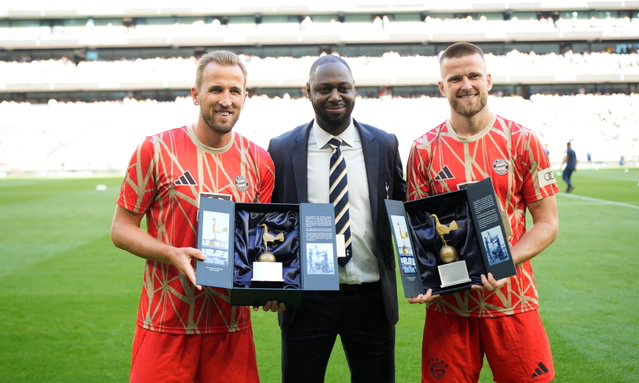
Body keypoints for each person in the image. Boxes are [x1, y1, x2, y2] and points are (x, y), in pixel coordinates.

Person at [111, 50, 279, 383]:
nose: (225, 100)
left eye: (234, 91)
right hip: (165, 326)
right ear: (195, 94)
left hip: (231, 330)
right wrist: (171, 253)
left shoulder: (260, 162)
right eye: (216, 89)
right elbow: (120, 229)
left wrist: (273, 289)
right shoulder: (156, 150)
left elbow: (260, 247)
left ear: (245, 97)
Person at [406, 42, 559, 383]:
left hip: (513, 302)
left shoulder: (523, 140)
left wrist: (505, 262)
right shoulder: (423, 150)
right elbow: (419, 233)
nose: (466, 84)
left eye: (473, 75)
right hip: (450, 309)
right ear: (442, 87)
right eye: (455, 78)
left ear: (488, 80)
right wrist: (420, 277)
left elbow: (548, 223)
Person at [267, 55, 406, 383]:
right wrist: (271, 283)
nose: (335, 96)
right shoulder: (282, 149)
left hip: (371, 296)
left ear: (355, 90)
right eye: (324, 88)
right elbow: (271, 220)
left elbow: (403, 209)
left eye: (344, 88)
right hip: (307, 299)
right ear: (308, 92)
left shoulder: (385, 144)